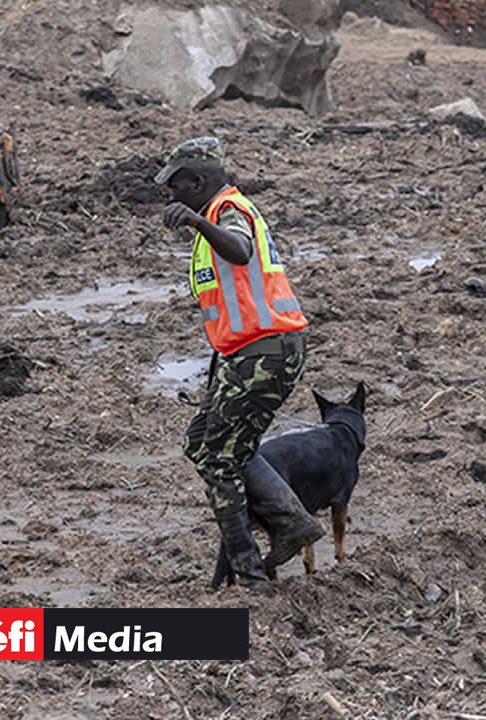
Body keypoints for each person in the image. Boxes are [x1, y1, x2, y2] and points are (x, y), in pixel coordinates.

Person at [156, 136, 324, 590]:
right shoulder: (213, 216)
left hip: (265, 353)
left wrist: (194, 220)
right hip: (249, 354)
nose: (170, 197)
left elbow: (240, 249)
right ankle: (290, 522)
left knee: (220, 459)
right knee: (202, 442)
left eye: (176, 187)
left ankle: (249, 572)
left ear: (199, 181)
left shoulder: (228, 211)